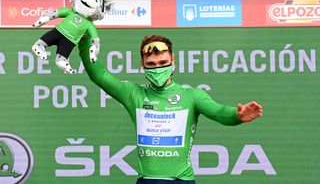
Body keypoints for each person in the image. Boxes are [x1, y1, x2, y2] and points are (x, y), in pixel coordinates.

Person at [78, 35, 263, 184]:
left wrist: (236, 115)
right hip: (147, 181)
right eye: (151, 64)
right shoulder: (133, 94)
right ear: (142, 63)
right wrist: (84, 37)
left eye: (162, 62)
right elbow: (98, 75)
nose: (157, 68)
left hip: (182, 180)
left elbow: (219, 112)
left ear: (173, 59)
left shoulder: (192, 96)